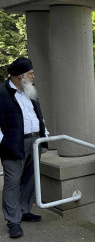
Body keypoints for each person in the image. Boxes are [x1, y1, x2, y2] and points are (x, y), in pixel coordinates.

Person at [0, 57, 49, 238]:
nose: (33, 76)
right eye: (31, 73)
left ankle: (23, 210)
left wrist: (45, 137)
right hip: (13, 145)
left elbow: (38, 116)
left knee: (29, 179)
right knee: (12, 183)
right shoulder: (2, 93)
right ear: (20, 76)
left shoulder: (29, 91)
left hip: (34, 142)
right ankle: (13, 220)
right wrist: (3, 141)